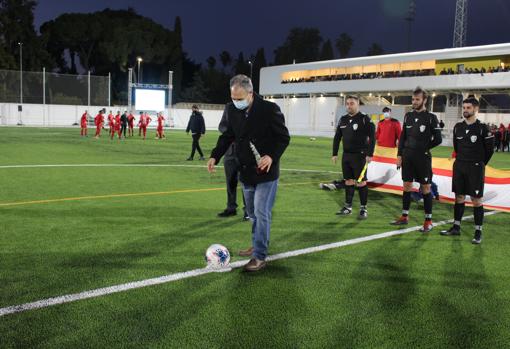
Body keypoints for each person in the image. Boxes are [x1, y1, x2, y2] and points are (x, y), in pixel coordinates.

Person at [207, 75, 290, 272]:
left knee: (261, 213)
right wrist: (215, 156)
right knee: (252, 214)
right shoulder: (231, 109)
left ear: (251, 94)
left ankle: (259, 256)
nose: (236, 102)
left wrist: (271, 156)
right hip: (245, 171)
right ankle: (257, 243)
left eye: (239, 98)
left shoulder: (270, 109)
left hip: (266, 172)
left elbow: (283, 138)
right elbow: (227, 135)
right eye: (233, 98)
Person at [440, 97, 494, 244]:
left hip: (475, 167)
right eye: (464, 108)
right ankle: (456, 227)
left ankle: (478, 231)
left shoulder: (483, 128)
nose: (465, 110)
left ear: (475, 109)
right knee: (459, 197)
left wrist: (480, 164)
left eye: (468, 108)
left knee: (476, 200)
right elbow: (457, 147)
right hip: (460, 166)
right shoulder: (458, 127)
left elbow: (490, 150)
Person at [391, 87, 442, 232]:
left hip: (422, 158)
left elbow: (438, 139)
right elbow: (402, 138)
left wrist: (424, 147)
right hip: (407, 157)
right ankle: (404, 216)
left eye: (417, 99)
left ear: (424, 100)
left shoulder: (431, 118)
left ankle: (428, 221)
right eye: (413, 99)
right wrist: (399, 155)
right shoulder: (408, 116)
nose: (414, 102)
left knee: (425, 187)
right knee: (407, 185)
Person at [332, 95, 376, 219]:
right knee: (348, 181)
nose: (349, 106)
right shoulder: (343, 119)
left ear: (358, 104)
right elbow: (337, 137)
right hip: (346, 155)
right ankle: (348, 207)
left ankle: (363, 209)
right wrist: (335, 153)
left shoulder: (364, 118)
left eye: (352, 103)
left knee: (361, 182)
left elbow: (373, 137)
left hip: (360, 156)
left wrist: (369, 154)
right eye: (348, 104)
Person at [216, 108, 248, 220]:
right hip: (229, 151)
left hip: (245, 152)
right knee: (230, 182)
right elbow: (221, 126)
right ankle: (231, 208)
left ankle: (248, 211)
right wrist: (232, 132)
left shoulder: (251, 107)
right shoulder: (229, 108)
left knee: (245, 182)